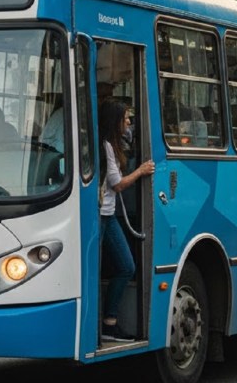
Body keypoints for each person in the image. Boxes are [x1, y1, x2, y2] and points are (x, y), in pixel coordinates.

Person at [98, 99, 154, 342]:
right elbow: (117, 184)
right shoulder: (105, 146)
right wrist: (140, 171)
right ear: (115, 121)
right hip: (101, 216)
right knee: (123, 266)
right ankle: (107, 323)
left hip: (108, 216)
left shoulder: (113, 144)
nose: (130, 122)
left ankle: (109, 322)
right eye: (126, 118)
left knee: (125, 266)